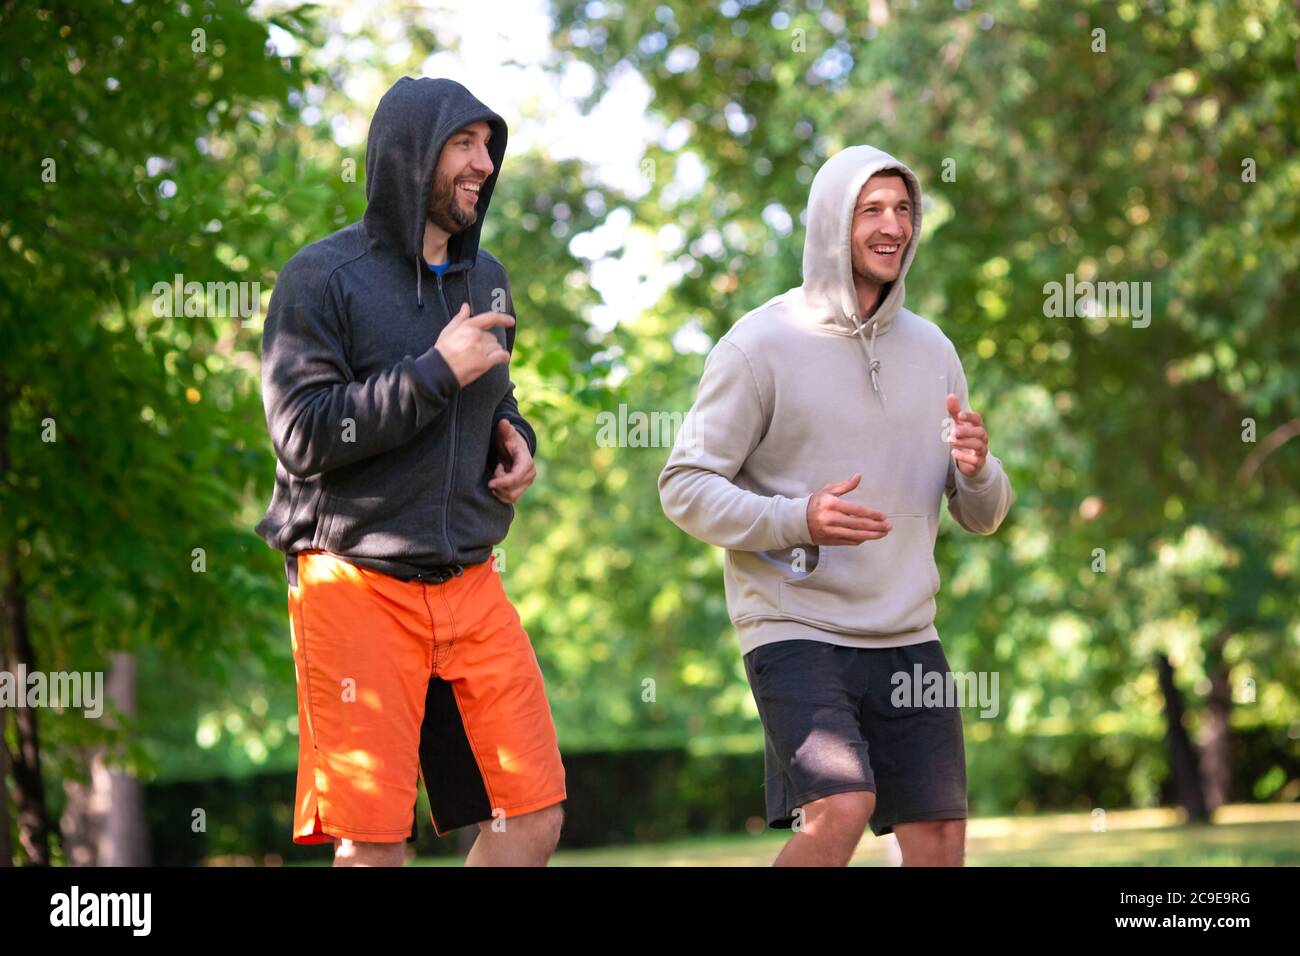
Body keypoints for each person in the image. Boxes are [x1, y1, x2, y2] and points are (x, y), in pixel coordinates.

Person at [659, 145, 1013, 866]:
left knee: (942, 838)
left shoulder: (933, 350)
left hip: (908, 631)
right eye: (871, 210)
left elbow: (983, 512)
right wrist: (797, 519)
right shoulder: (758, 345)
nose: (893, 226)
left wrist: (977, 470)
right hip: (795, 625)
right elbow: (683, 484)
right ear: (831, 225)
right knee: (839, 807)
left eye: (904, 209)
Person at [255, 77, 565, 867]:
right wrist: (435, 372)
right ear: (410, 157)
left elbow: (493, 393)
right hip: (353, 582)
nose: (484, 163)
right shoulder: (321, 278)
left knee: (532, 813)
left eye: (488, 145)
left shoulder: (486, 276)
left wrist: (513, 435)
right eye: (464, 144)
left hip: (469, 579)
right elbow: (302, 434)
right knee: (376, 843)